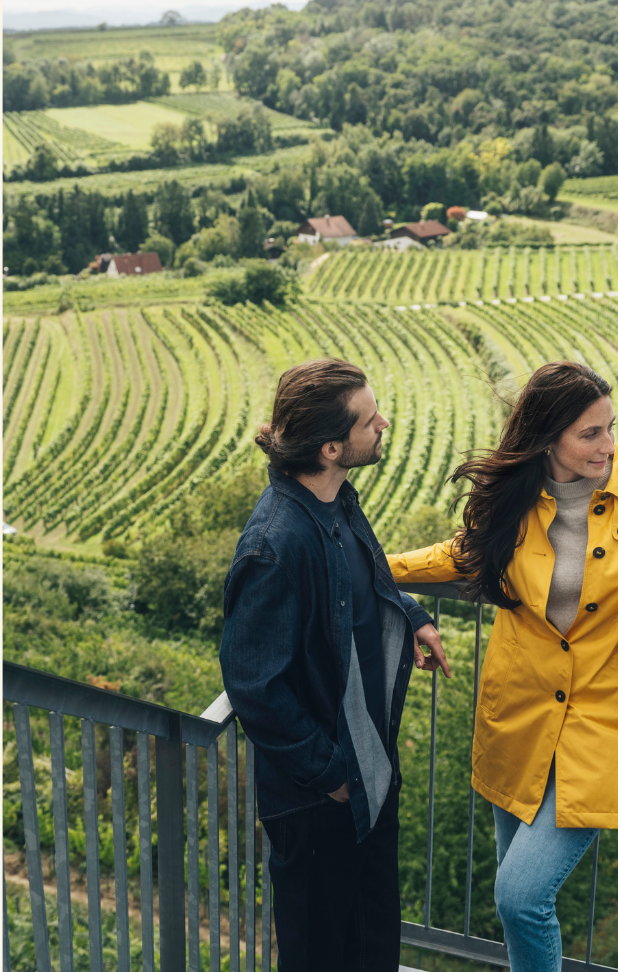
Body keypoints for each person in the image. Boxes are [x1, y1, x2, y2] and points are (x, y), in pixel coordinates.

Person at [388, 361, 618, 972]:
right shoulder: (516, 495)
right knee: (518, 904)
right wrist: (378, 567)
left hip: (605, 720)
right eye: (590, 434)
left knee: (521, 894)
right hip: (519, 713)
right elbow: (464, 554)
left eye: (611, 428)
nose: (608, 445)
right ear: (548, 436)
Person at [221, 358, 450, 971]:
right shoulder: (276, 543)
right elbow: (252, 684)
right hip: (322, 797)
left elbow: (360, 582)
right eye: (369, 418)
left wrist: (409, 611)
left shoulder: (336, 504)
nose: (384, 423)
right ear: (330, 446)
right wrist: (331, 775)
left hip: (367, 771)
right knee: (321, 952)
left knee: (371, 942)